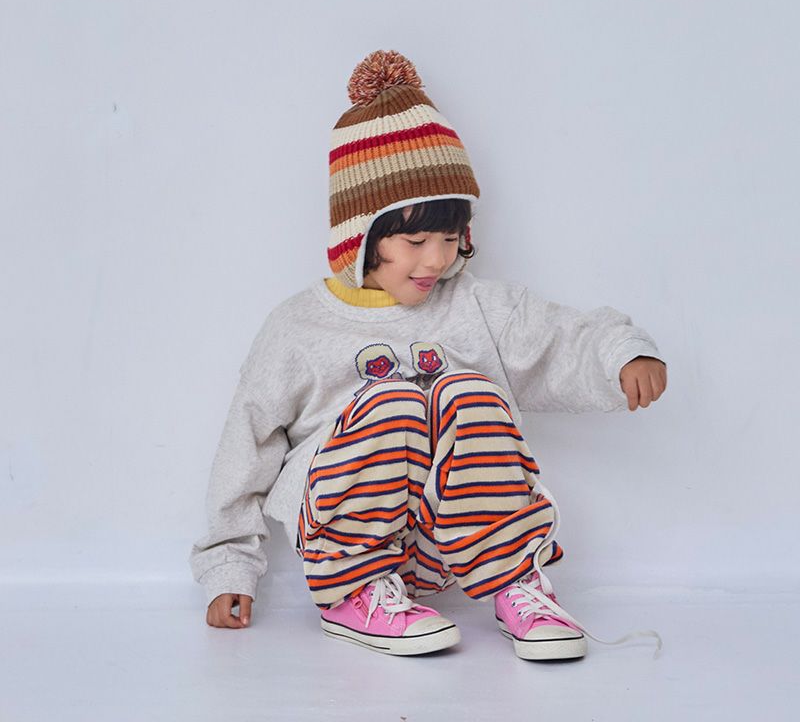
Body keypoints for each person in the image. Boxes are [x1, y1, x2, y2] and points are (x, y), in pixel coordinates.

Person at [189, 49, 668, 660]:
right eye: (415, 240)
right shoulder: (297, 328)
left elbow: (557, 335)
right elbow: (246, 443)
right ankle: (355, 596)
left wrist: (621, 355)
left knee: (467, 390)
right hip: (342, 541)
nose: (438, 259)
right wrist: (229, 566)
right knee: (390, 402)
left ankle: (514, 584)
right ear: (360, 237)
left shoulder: (475, 307)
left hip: (448, 546)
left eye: (449, 237)